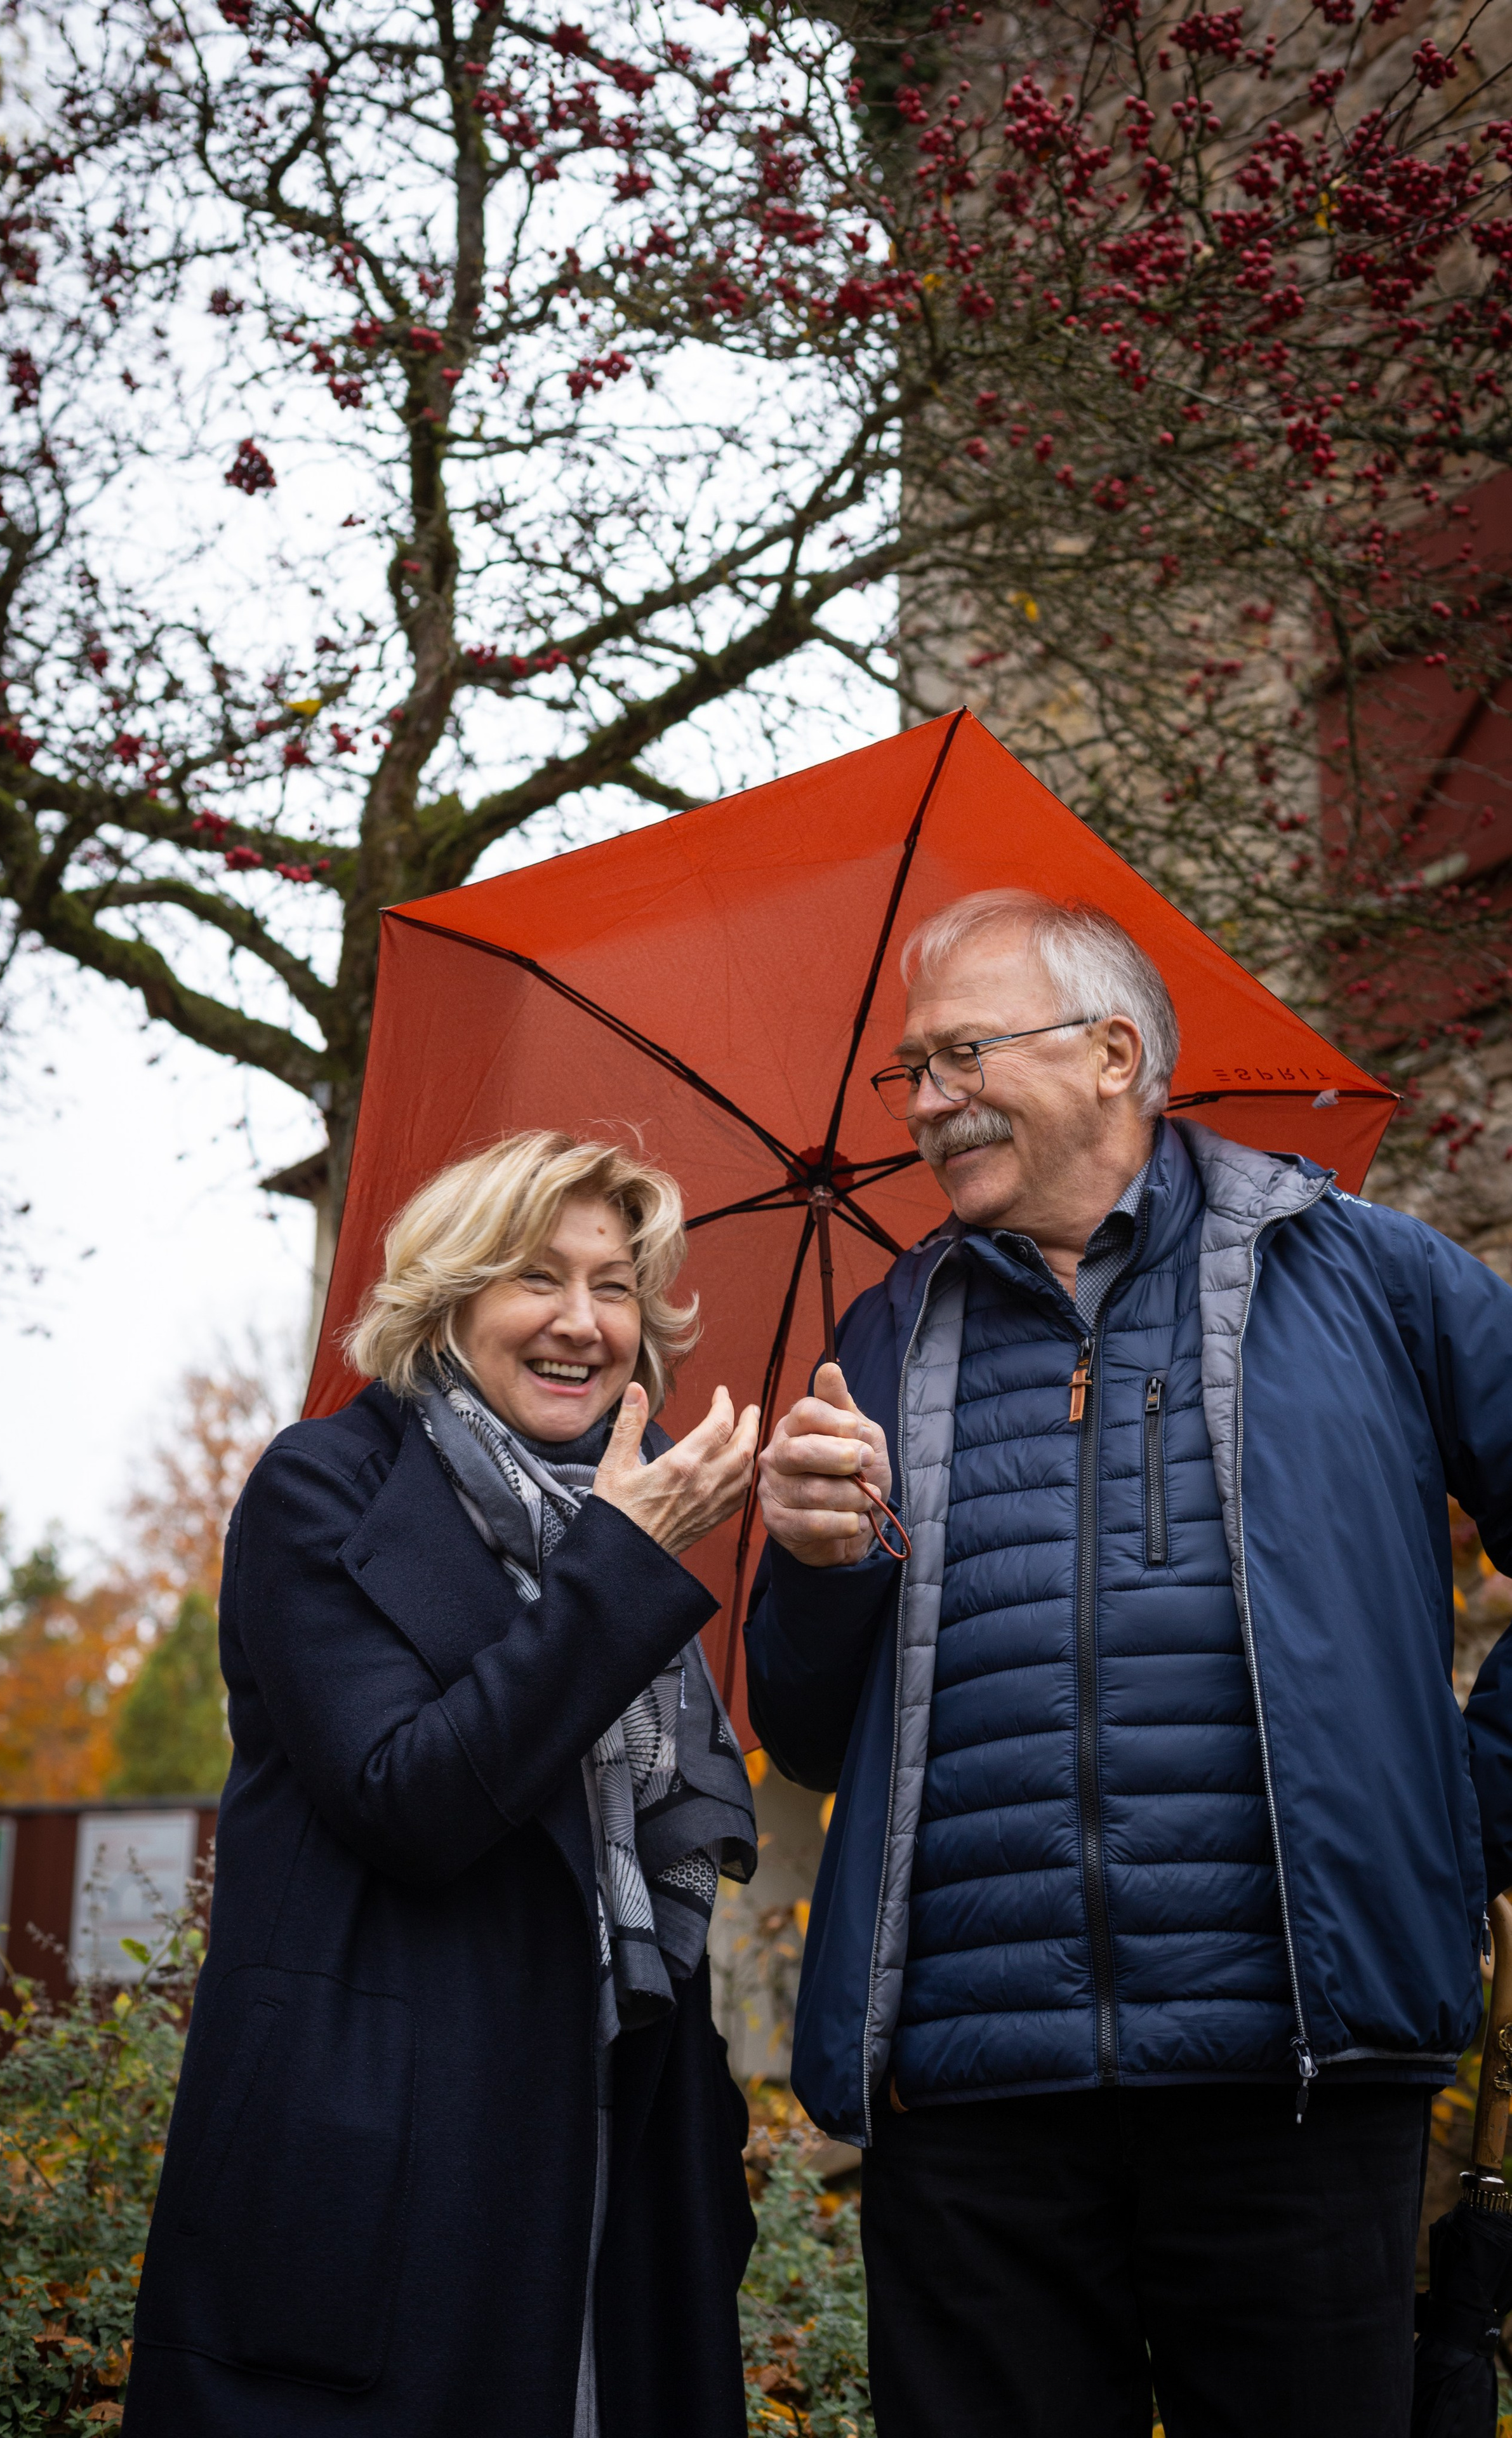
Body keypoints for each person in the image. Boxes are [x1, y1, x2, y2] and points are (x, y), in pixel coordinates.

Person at [746, 888, 1512, 2438]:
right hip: (969, 2090)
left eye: (959, 1053)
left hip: (1294, 2077)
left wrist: (1463, 1810)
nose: (923, 1102)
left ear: (1111, 1054)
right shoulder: (883, 1333)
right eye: (910, 1073)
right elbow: (807, 1734)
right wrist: (821, 1574)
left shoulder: (1367, 1277)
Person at [124, 1131, 761, 2438]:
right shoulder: (321, 1493)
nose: (582, 1322)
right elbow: (406, 1798)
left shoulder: (624, 1513)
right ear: (449, 1295)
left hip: (611, 2158)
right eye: (537, 1277)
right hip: (392, 2174)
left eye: (615, 1284)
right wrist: (623, 1572)